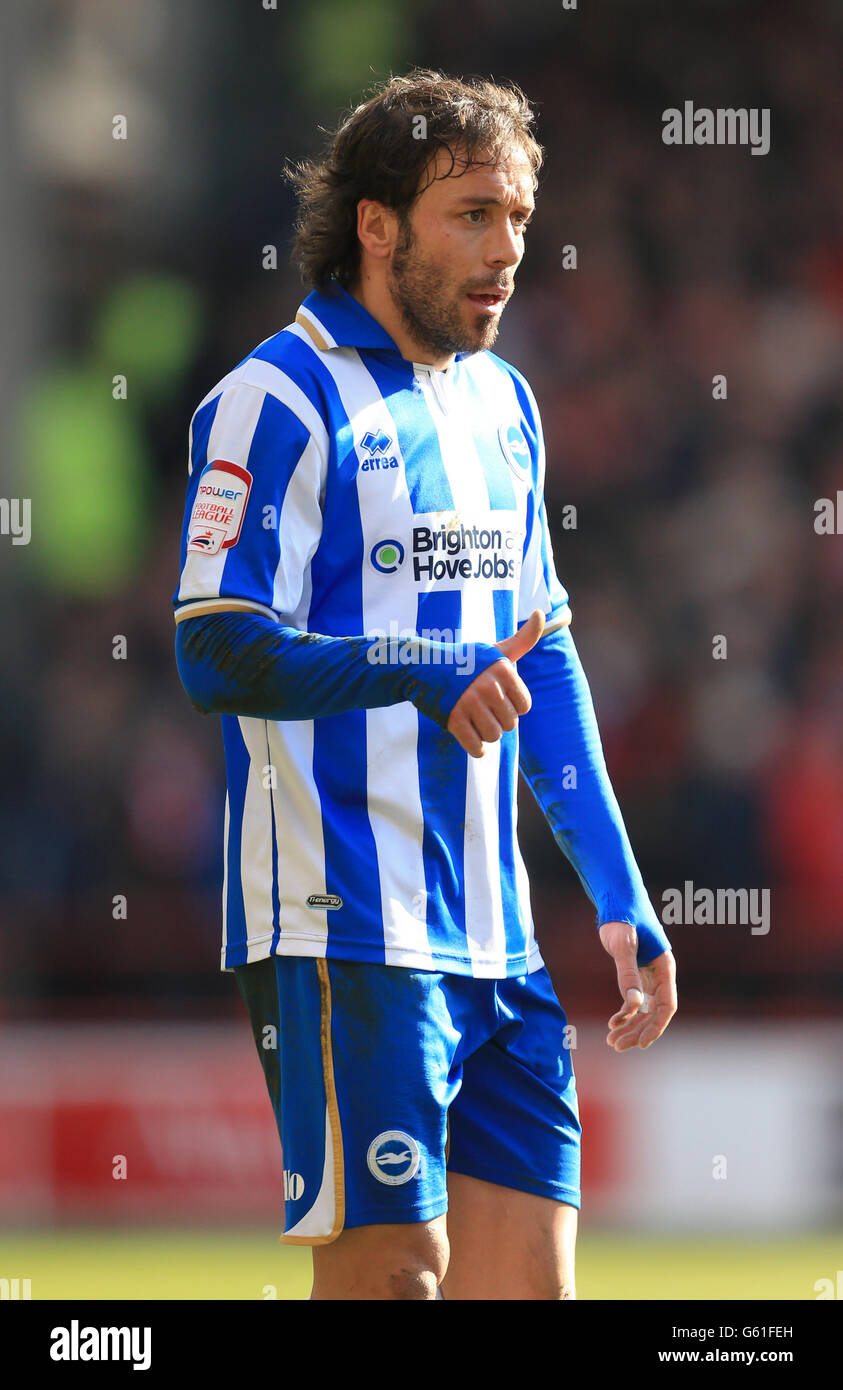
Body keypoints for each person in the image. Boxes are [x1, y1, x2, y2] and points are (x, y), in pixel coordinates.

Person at [172, 68, 677, 1301]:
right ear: (377, 224)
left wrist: (619, 892)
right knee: (396, 1282)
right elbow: (209, 645)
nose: (508, 249)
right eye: (472, 215)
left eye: (518, 215)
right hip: (342, 919)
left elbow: (538, 650)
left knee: (532, 1291)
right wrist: (413, 665)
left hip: (496, 937)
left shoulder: (503, 404)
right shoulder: (273, 400)